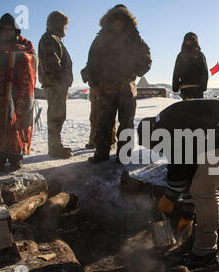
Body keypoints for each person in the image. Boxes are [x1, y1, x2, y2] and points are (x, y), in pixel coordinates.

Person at [137, 99, 219, 269]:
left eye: (155, 146)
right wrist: (187, 211)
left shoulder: (168, 127)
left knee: (203, 188)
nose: (158, 150)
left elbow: (180, 170)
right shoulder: (169, 122)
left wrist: (169, 198)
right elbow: (191, 167)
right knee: (215, 178)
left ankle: (205, 252)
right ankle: (218, 225)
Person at [86, 4, 151, 163]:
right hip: (105, 86)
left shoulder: (135, 38)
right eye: (116, 18)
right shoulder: (101, 38)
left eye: (123, 18)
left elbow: (147, 59)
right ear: (111, 19)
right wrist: (93, 84)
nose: (119, 21)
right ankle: (101, 154)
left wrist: (134, 73)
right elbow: (92, 62)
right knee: (104, 121)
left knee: (127, 122)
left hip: (127, 87)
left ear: (127, 20)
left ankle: (124, 156)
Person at [0, 13, 36, 172]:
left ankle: (16, 156)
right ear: (0, 30)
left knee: (17, 122)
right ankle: (0, 158)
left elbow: (31, 56)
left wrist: (16, 56)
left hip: (19, 93)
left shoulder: (23, 43)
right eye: (5, 29)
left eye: (11, 30)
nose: (8, 33)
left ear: (16, 31)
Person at [38, 11, 73, 159]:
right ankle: (54, 148)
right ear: (59, 25)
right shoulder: (51, 39)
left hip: (56, 85)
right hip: (56, 85)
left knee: (57, 116)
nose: (66, 29)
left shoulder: (52, 39)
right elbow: (52, 64)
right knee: (56, 117)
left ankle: (55, 145)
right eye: (65, 26)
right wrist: (61, 80)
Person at [80, 67, 117, 150]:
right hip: (95, 92)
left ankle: (111, 140)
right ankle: (93, 141)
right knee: (94, 118)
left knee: (109, 117)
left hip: (108, 91)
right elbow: (84, 71)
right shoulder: (96, 58)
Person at [172, 32, 208, 100]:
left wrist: (175, 87)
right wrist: (203, 86)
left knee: (188, 109)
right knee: (196, 109)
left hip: (188, 88)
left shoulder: (181, 55)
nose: (189, 42)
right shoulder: (200, 55)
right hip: (195, 88)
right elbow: (204, 71)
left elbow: (176, 72)